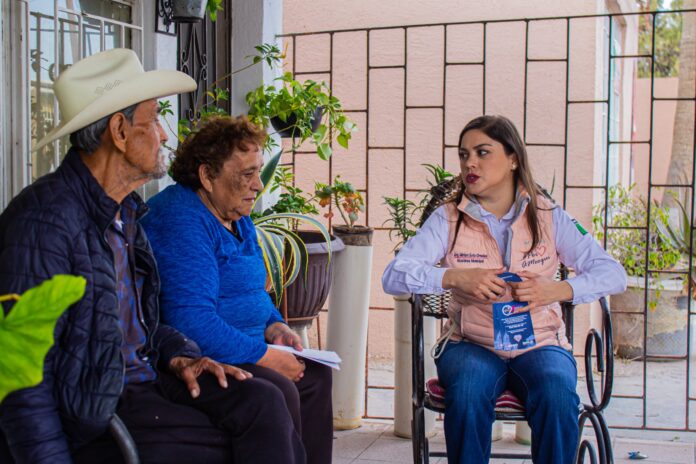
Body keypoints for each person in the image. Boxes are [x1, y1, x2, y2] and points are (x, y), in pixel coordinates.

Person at [0, 48, 305, 464]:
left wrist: (178, 354)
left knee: (263, 401)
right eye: (155, 119)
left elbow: (133, 326)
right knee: (232, 440)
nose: (163, 135)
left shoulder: (124, 213)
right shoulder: (44, 221)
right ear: (120, 131)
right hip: (97, 407)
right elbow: (20, 374)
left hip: (146, 378)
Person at [382, 115, 627, 464]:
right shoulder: (448, 219)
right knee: (468, 392)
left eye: (482, 152)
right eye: (464, 154)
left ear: (513, 158)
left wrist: (558, 290)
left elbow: (612, 273)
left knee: (557, 395)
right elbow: (394, 275)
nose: (470, 163)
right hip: (471, 344)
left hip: (541, 343)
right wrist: (453, 277)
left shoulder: (549, 216)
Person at [140, 116, 333, 464]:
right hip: (198, 357)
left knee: (316, 376)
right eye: (247, 174)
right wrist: (265, 356)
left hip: (244, 346)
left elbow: (252, 291)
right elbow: (191, 321)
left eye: (258, 171)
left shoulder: (236, 216)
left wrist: (275, 325)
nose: (258, 185)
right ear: (206, 175)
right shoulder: (181, 219)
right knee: (278, 389)